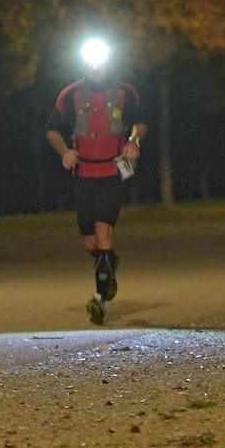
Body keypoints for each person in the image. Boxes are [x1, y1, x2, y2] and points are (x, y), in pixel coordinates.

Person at [45, 39, 145, 325]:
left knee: (103, 233)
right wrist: (65, 152)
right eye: (90, 63)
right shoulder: (70, 94)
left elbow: (140, 122)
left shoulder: (126, 92)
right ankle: (108, 262)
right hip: (83, 176)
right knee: (91, 242)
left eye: (101, 62)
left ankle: (99, 301)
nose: (96, 68)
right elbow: (52, 130)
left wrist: (134, 142)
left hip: (113, 173)